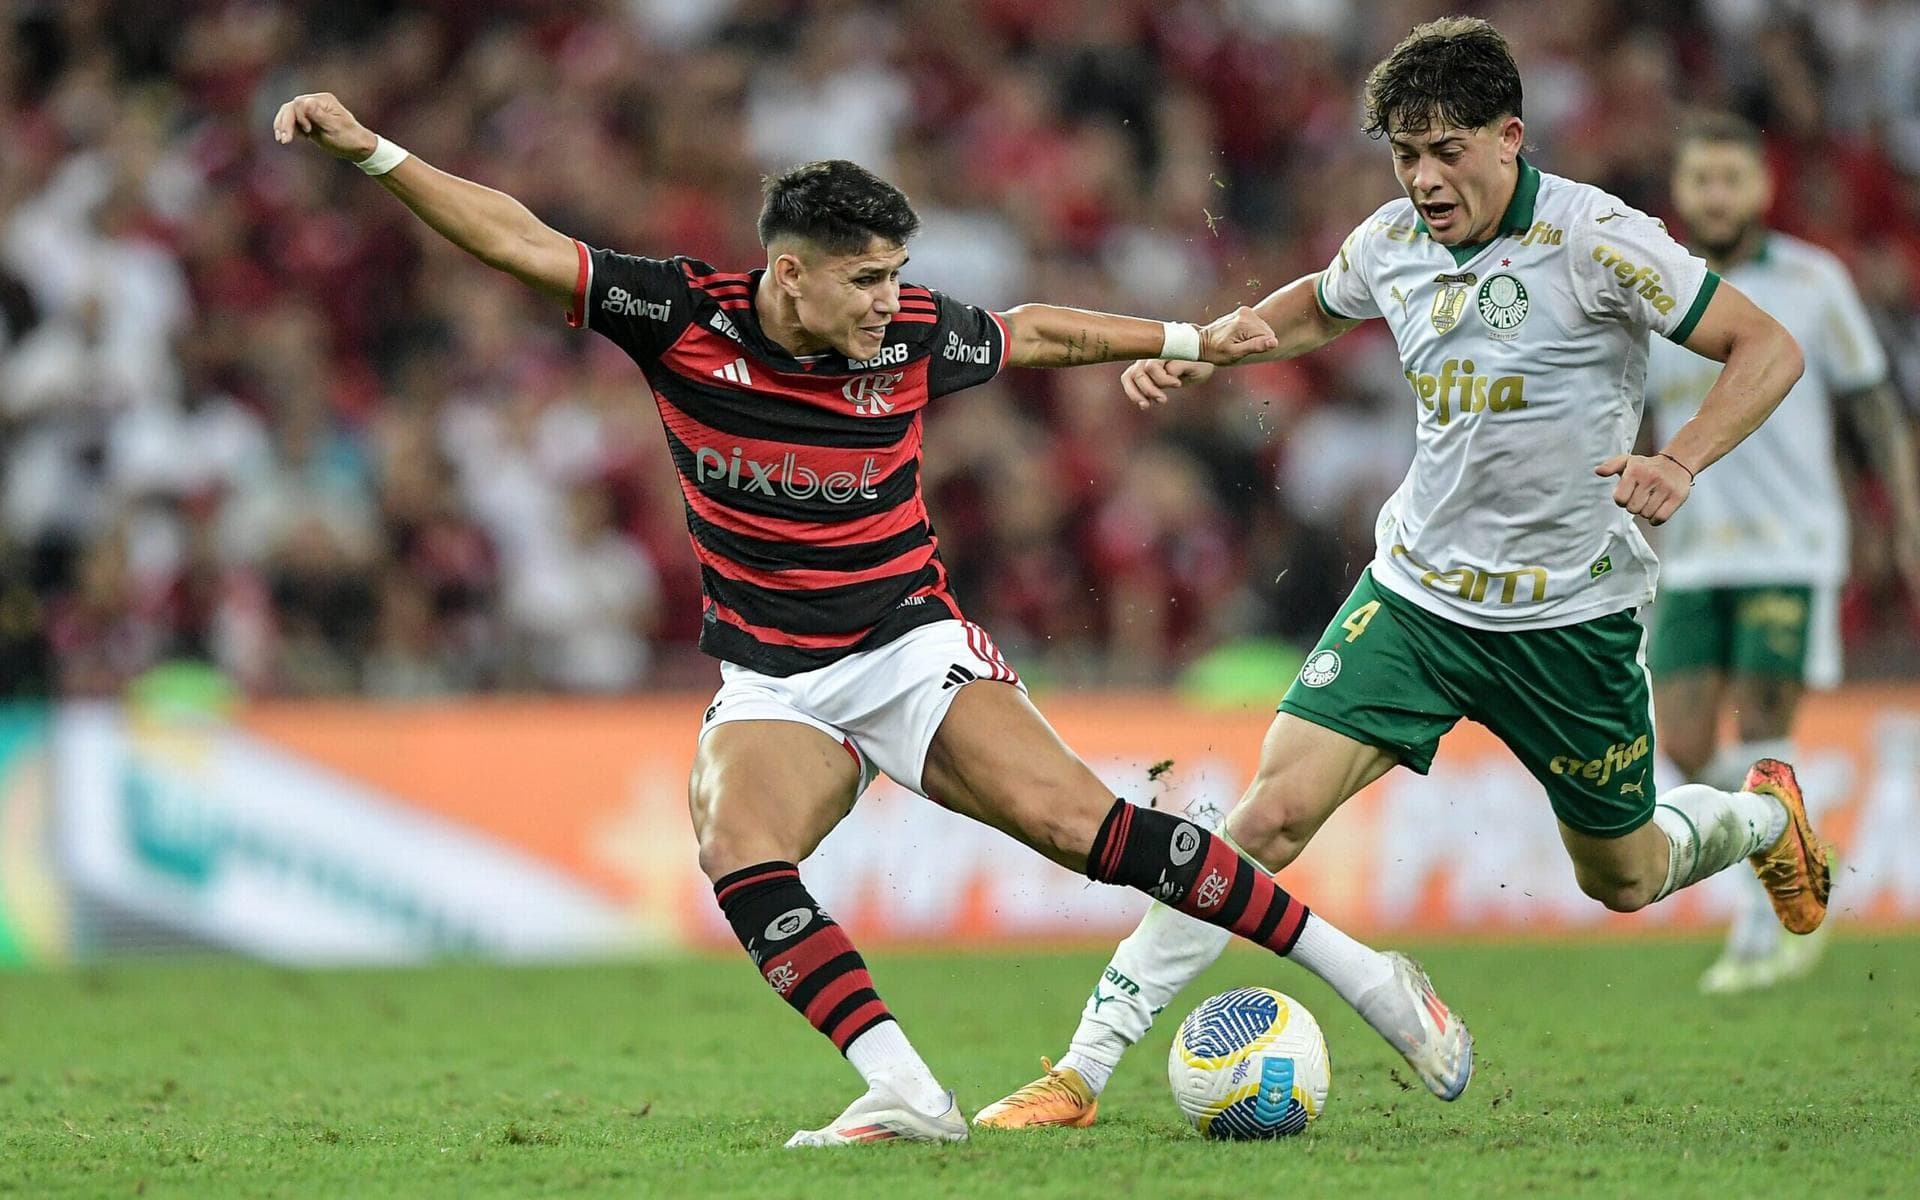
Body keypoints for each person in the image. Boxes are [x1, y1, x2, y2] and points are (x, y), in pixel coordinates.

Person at [272, 93, 1473, 1147]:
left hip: (906, 649)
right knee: (736, 848)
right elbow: (519, 241)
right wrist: (373, 151)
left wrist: (1187, 340)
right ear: (789, 273)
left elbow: (1036, 330)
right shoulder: (682, 315)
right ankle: (904, 1090)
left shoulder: (908, 337)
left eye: (898, 274)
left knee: (1086, 829)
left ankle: (1372, 980)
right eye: (866, 279)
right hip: (774, 681)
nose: (890, 300)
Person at [976, 16, 1824, 1130]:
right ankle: (1083, 1070)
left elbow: (1768, 347)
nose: (1423, 179)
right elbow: (1315, 303)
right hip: (1417, 599)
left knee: (1622, 878)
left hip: (1569, 617)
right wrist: (1211, 346)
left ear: (1509, 136)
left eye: (1446, 151)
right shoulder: (1393, 241)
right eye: (1405, 154)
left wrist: (1680, 458)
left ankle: (1759, 820)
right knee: (1270, 816)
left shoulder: (1600, 240)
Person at [1644, 113, 1920, 994]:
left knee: (1763, 735)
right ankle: (1797, 830)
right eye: (1702, 180)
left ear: (1763, 187)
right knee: (1685, 746)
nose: (1717, 195)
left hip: (1790, 547)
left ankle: (1761, 933)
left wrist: (1907, 518)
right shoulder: (1657, 286)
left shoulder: (1813, 280)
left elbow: (1875, 406)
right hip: (1691, 552)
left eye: (1732, 178)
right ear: (1681, 191)